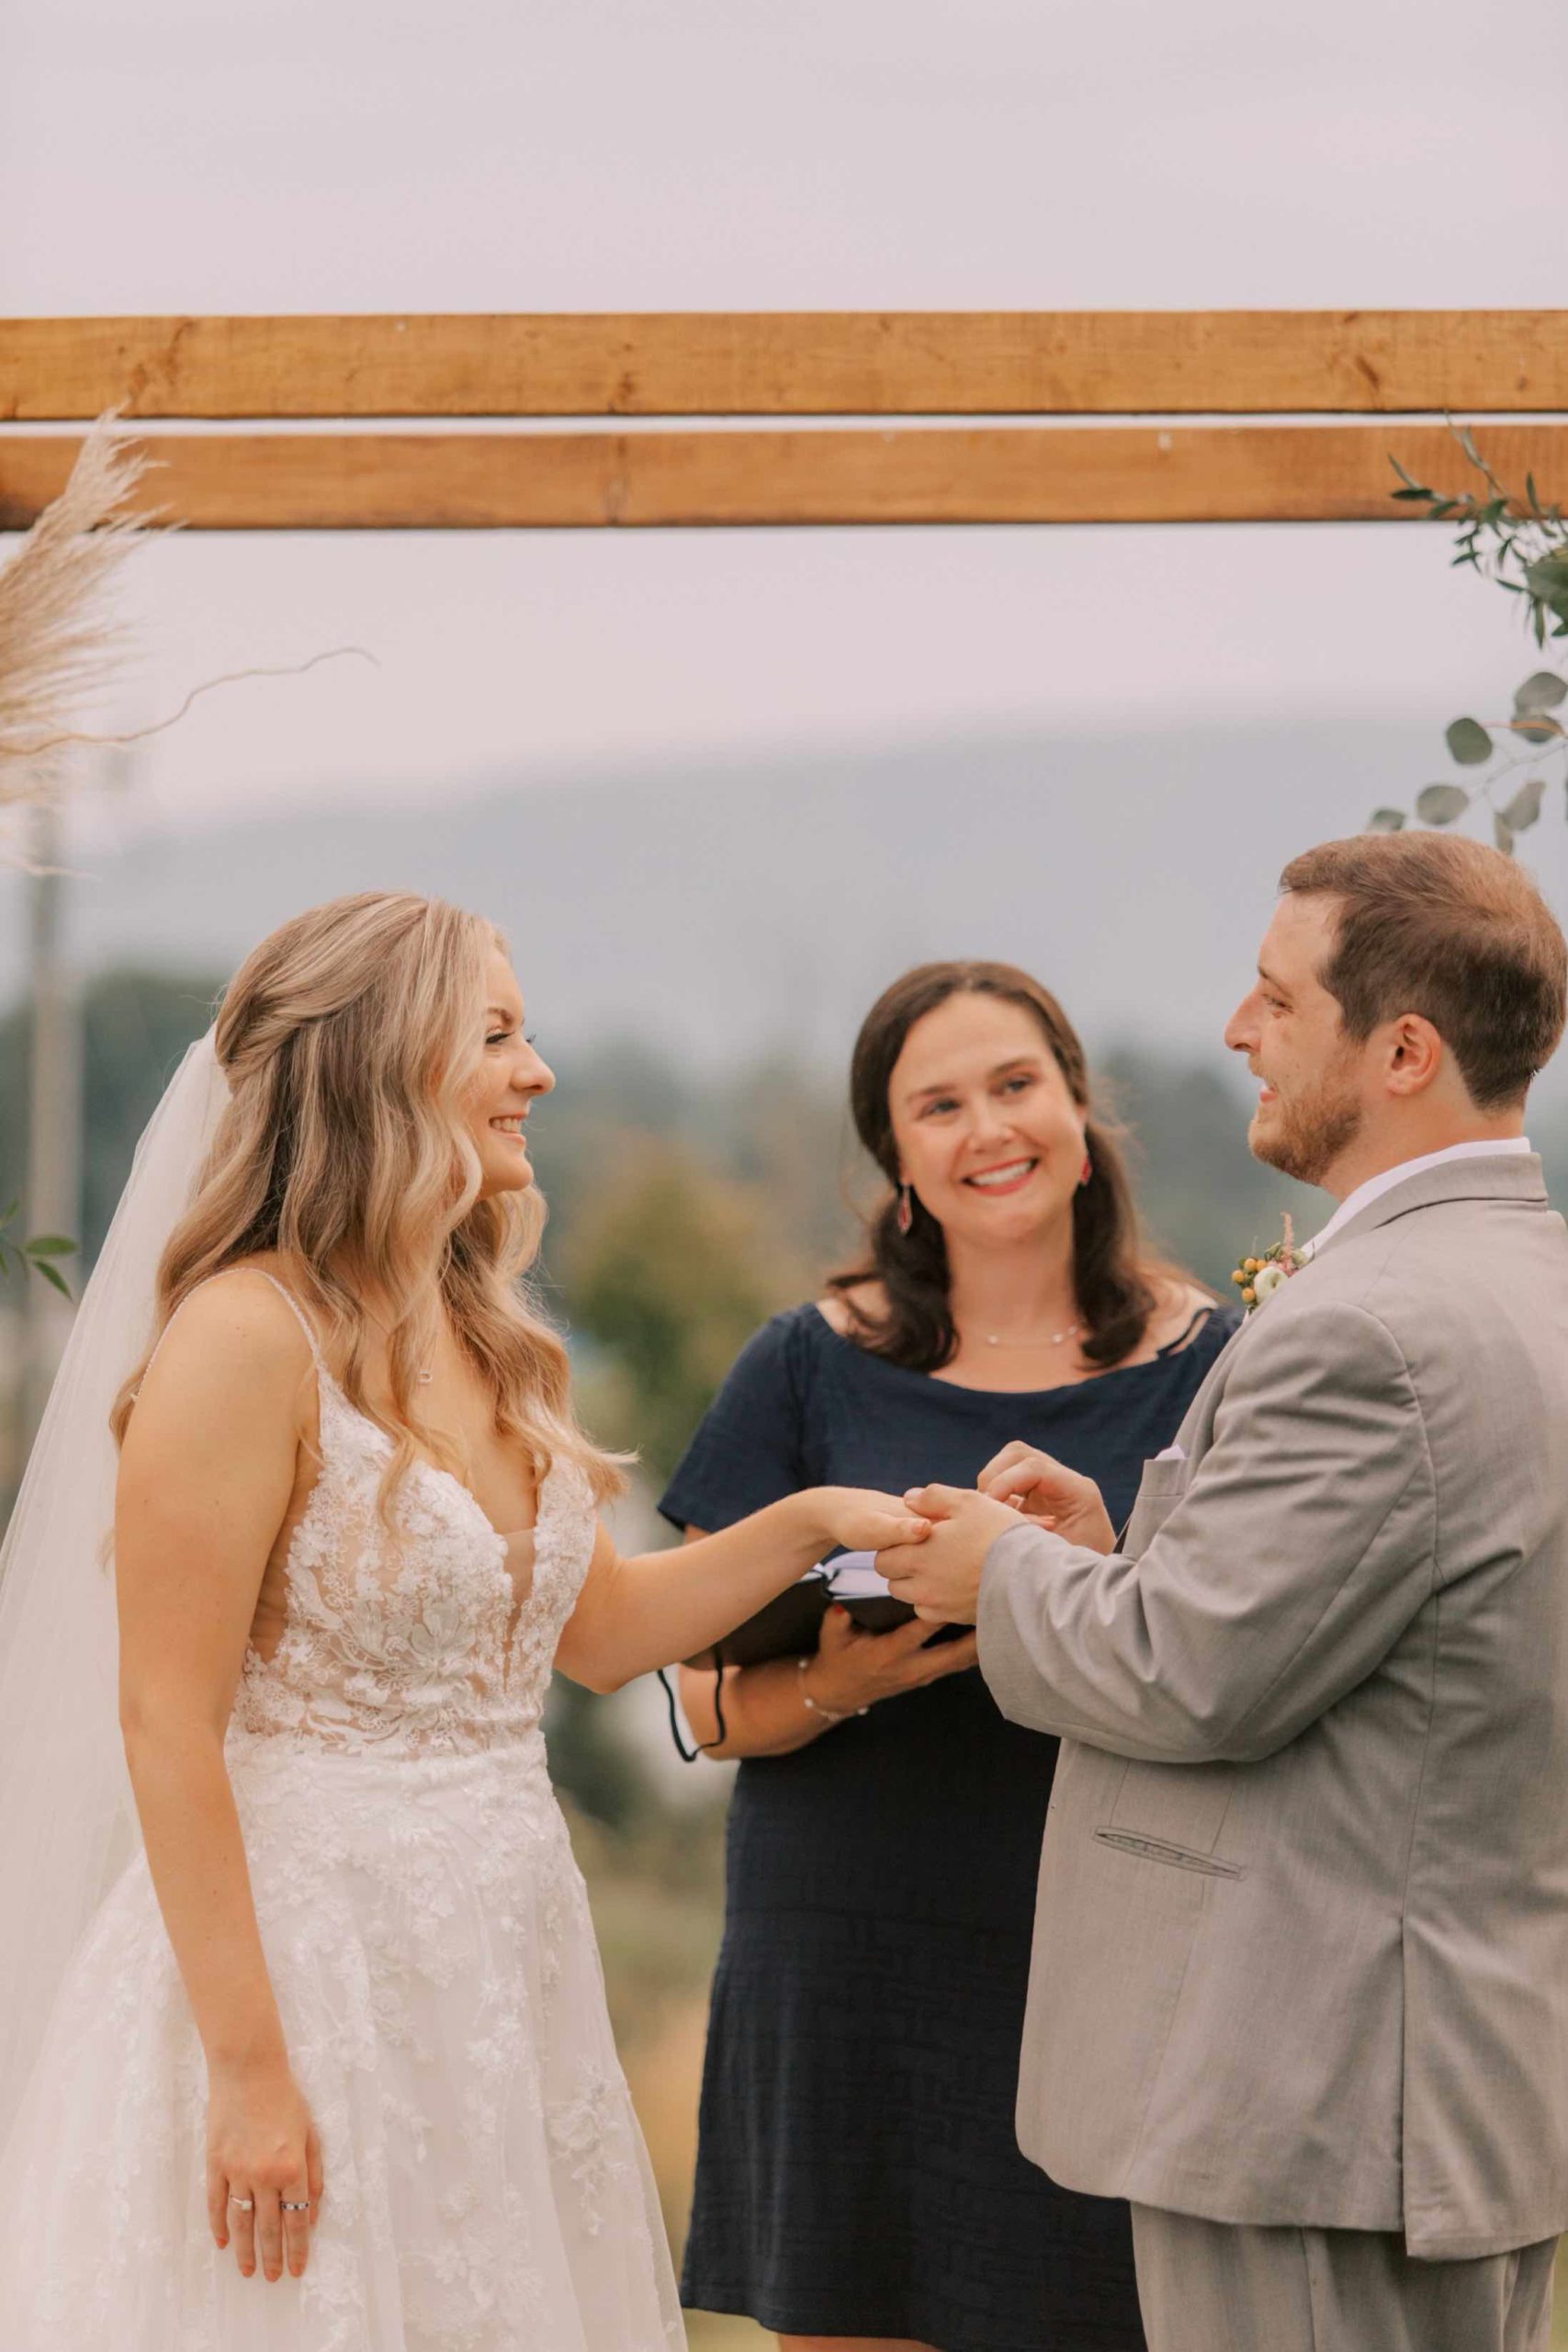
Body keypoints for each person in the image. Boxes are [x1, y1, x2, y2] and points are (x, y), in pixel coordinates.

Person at [0, 890, 929, 2352]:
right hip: (303, 1978)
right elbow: (163, 1720)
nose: (537, 1070)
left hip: (497, 1972)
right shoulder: (247, 1338)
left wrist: (820, 1524)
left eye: (527, 1032)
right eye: (495, 1034)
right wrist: (249, 2073)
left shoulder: (484, 1328)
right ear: (381, 1063)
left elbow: (602, 1632)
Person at [882, 833, 1568, 2352]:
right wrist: (1114, 1548)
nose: (1235, 1031)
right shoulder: (1531, 1276)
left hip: (1314, 2097)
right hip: (1455, 2076)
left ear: (1402, 1049)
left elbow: (1191, 1677)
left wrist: (1005, 1575)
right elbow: (1406, 1621)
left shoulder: (1368, 1327)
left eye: (1276, 998)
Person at [664, 959, 1236, 2352]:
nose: (989, 1127)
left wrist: (1089, 1581)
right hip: (844, 1945)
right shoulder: (802, 1363)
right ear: (899, 1160)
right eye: (940, 1105)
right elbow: (690, 1690)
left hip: (1104, 1948)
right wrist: (834, 1683)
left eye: (1016, 1085)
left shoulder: (1219, 1358)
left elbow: (1239, 1653)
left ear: (1082, 1109)